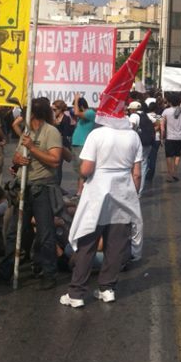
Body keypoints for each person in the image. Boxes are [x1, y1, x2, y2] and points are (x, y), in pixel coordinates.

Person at [61, 102, 143, 308]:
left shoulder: (96, 135)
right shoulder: (133, 136)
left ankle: (76, 293)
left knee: (87, 242)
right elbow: (137, 173)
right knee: (116, 245)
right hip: (123, 193)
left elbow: (86, 169)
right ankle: (107, 289)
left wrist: (83, 172)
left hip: (98, 195)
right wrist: (132, 195)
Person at [0, 98, 63, 290]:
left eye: (25, 112)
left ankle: (49, 273)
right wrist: (17, 161)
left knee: (45, 233)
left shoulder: (51, 132)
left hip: (41, 189)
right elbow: (17, 158)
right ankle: (6, 272)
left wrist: (33, 148)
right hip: (23, 188)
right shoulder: (26, 133)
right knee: (14, 232)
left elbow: (55, 160)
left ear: (33, 114)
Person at [160, 95, 181, 182]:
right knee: (177, 155)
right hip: (179, 137)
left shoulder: (166, 111)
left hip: (170, 137)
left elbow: (162, 126)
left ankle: (169, 174)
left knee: (169, 156)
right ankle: (174, 173)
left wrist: (162, 138)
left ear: (170, 102)